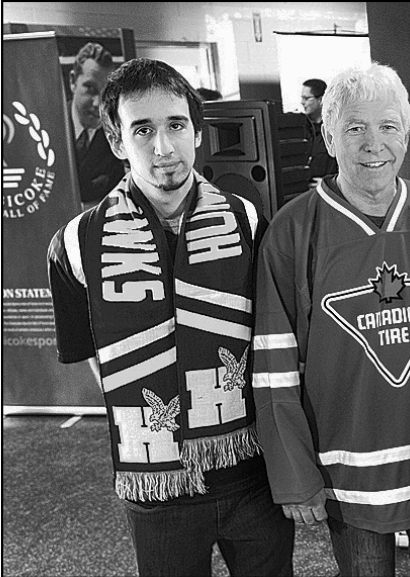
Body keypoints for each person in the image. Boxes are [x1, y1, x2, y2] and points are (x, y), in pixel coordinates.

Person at [46, 58, 293, 576]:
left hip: (253, 474)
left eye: (176, 125)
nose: (163, 149)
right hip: (155, 487)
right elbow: (92, 354)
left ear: (198, 133)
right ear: (116, 143)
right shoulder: (74, 244)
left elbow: (275, 335)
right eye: (142, 130)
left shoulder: (248, 220)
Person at [252, 62, 410, 576]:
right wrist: (296, 474)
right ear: (328, 135)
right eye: (354, 128)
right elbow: (274, 368)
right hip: (349, 472)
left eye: (388, 126)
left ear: (408, 133)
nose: (374, 144)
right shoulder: (292, 230)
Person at [68, 42, 125, 210]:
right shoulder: (47, 126)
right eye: (90, 88)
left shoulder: (116, 136)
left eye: (105, 93)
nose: (98, 104)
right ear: (73, 81)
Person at [302, 78, 338, 186]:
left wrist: (328, 183)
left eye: (306, 98)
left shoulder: (335, 129)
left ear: (321, 100)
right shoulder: (302, 130)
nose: (302, 102)